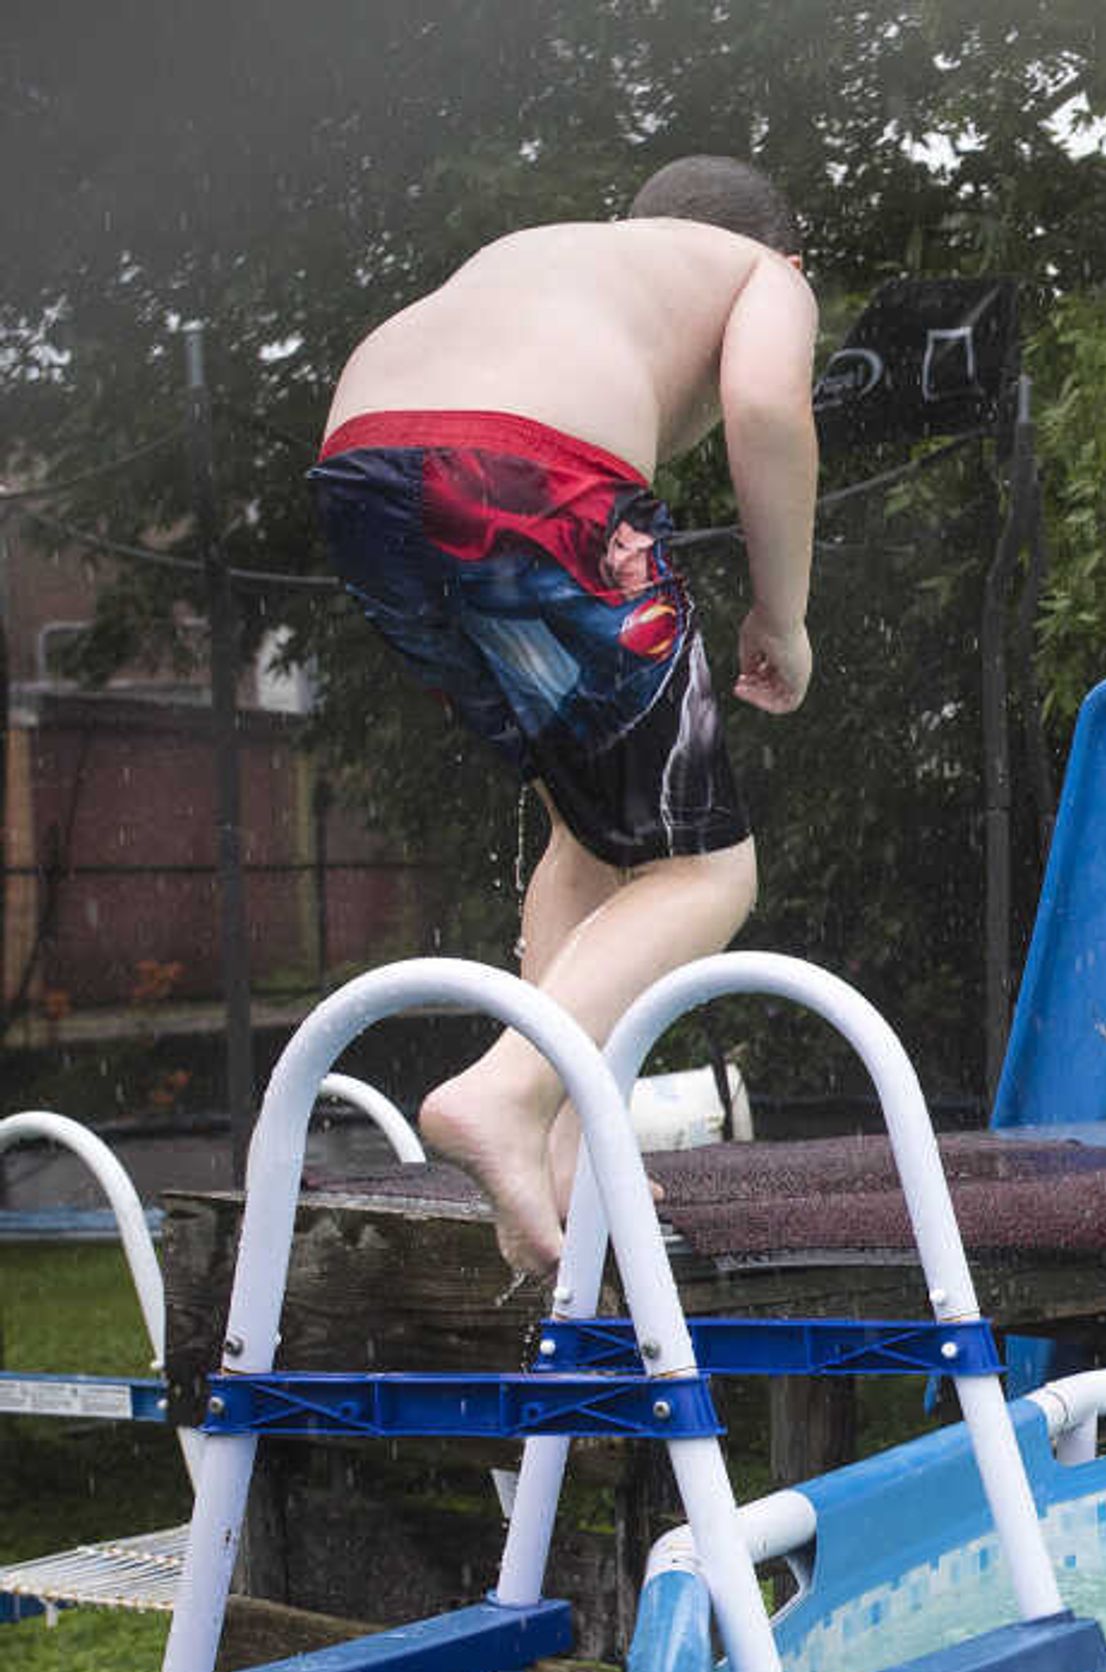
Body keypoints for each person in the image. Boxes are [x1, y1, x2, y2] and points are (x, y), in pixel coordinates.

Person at [311, 153, 820, 1271]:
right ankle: (504, 1091)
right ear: (781, 250)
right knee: (708, 869)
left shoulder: (561, 257)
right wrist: (782, 614)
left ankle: (553, 1151)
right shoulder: (759, 274)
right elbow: (765, 405)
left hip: (361, 473)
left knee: (590, 828)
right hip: (522, 472)